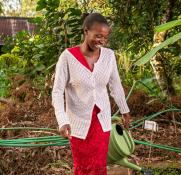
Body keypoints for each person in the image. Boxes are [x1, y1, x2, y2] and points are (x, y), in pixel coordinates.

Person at [51, 13, 131, 175]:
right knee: (83, 167)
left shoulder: (109, 56)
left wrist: (125, 110)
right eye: (98, 36)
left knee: (99, 166)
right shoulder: (68, 57)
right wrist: (62, 120)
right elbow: (58, 91)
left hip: (101, 122)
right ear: (86, 31)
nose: (101, 41)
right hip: (78, 124)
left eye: (105, 37)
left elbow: (115, 85)